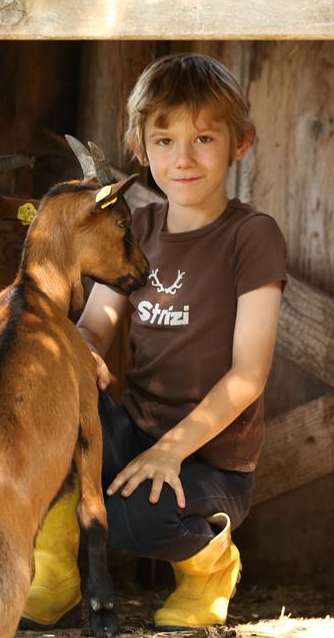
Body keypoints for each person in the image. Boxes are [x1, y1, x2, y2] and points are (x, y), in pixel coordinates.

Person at [20, 53, 287, 630]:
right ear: (139, 148)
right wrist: (84, 355)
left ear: (240, 143)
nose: (182, 159)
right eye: (164, 141)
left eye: (204, 139)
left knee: (131, 519)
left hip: (212, 461)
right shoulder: (137, 229)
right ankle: (55, 572)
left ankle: (212, 567)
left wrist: (170, 451)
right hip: (133, 433)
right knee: (46, 414)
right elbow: (95, 325)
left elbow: (248, 375)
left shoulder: (252, 237)